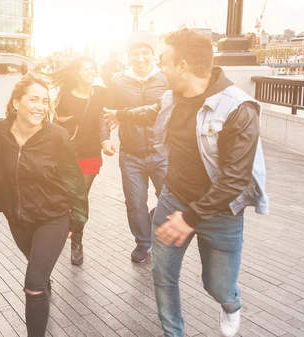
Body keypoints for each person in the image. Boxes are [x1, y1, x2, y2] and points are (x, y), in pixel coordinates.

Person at [104, 28, 269, 337]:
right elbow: (151, 112)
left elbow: (236, 179)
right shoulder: (172, 97)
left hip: (221, 213)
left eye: (164, 61)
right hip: (174, 199)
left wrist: (190, 218)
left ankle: (231, 303)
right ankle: (173, 332)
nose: (160, 67)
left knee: (216, 285)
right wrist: (120, 115)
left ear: (181, 66)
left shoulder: (239, 109)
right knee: (162, 273)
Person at [0, 73, 88, 337]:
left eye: (45, 101)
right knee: (39, 273)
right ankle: (43, 286)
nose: (41, 107)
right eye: (34, 99)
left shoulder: (57, 136)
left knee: (32, 284)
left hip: (52, 217)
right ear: (16, 103)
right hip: (17, 219)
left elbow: (75, 181)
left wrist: (76, 223)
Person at [102, 31, 168, 263]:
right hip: (131, 155)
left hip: (162, 153)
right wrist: (105, 138)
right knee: (135, 202)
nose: (140, 58)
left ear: (153, 53)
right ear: (128, 56)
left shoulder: (166, 79)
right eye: (135, 53)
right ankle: (143, 242)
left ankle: (152, 220)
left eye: (145, 52)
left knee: (173, 199)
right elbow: (106, 113)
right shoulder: (119, 82)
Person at [47, 56, 116, 265]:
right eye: (86, 68)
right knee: (67, 198)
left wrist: (105, 141)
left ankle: (76, 240)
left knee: (80, 197)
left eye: (92, 68)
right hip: (66, 156)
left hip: (90, 155)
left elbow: (103, 121)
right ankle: (62, 230)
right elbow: (55, 127)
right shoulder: (65, 97)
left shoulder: (101, 94)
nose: (90, 71)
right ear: (77, 74)